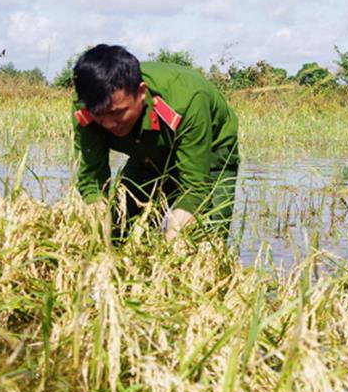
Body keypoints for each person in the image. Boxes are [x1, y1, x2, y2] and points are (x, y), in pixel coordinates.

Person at [72, 44, 239, 243]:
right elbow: (93, 184)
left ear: (141, 93)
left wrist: (172, 241)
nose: (108, 124)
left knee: (206, 241)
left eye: (117, 113)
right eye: (99, 115)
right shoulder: (88, 106)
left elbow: (196, 188)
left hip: (210, 149)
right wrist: (101, 248)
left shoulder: (187, 101)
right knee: (120, 229)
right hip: (147, 152)